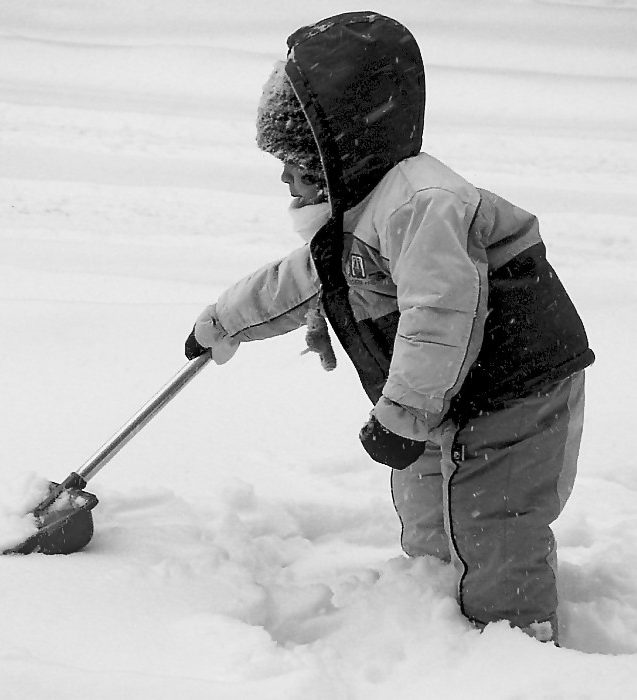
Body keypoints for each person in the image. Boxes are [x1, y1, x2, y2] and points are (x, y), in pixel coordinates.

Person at [184, 11, 594, 644]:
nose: (285, 180)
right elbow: (304, 280)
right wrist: (223, 324)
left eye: (297, 163)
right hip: (444, 394)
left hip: (516, 392)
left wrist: (401, 413)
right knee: (428, 512)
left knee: (495, 527)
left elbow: (440, 314)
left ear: (341, 152)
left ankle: (519, 655)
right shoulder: (360, 210)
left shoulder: (422, 205)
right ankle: (435, 622)